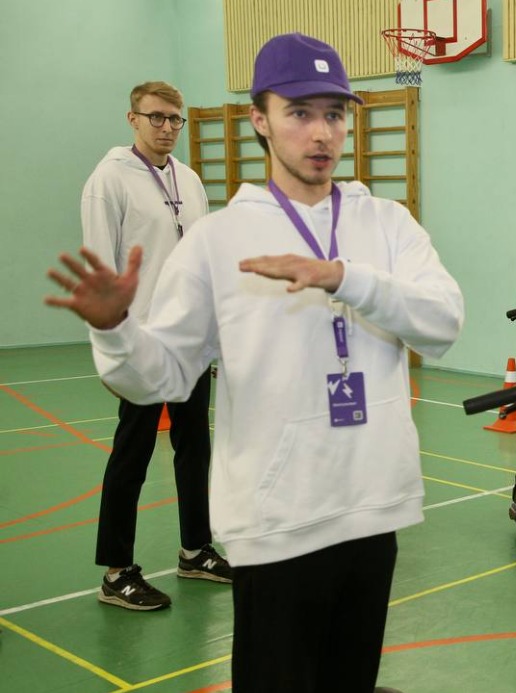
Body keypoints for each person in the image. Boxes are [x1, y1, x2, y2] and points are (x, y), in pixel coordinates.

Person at [46, 33, 463, 693]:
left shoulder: (386, 223)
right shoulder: (218, 240)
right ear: (259, 119)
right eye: (299, 111)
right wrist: (117, 327)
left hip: (372, 510)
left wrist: (343, 276)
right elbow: (160, 375)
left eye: (334, 112)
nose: (321, 131)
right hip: (276, 526)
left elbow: (443, 320)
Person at [81, 80, 228, 611]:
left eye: (174, 120)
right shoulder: (108, 181)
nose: (167, 128)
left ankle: (196, 550)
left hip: (188, 341)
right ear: (133, 118)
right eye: (156, 118)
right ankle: (117, 572)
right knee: (133, 454)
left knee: (195, 449)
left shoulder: (188, 180)